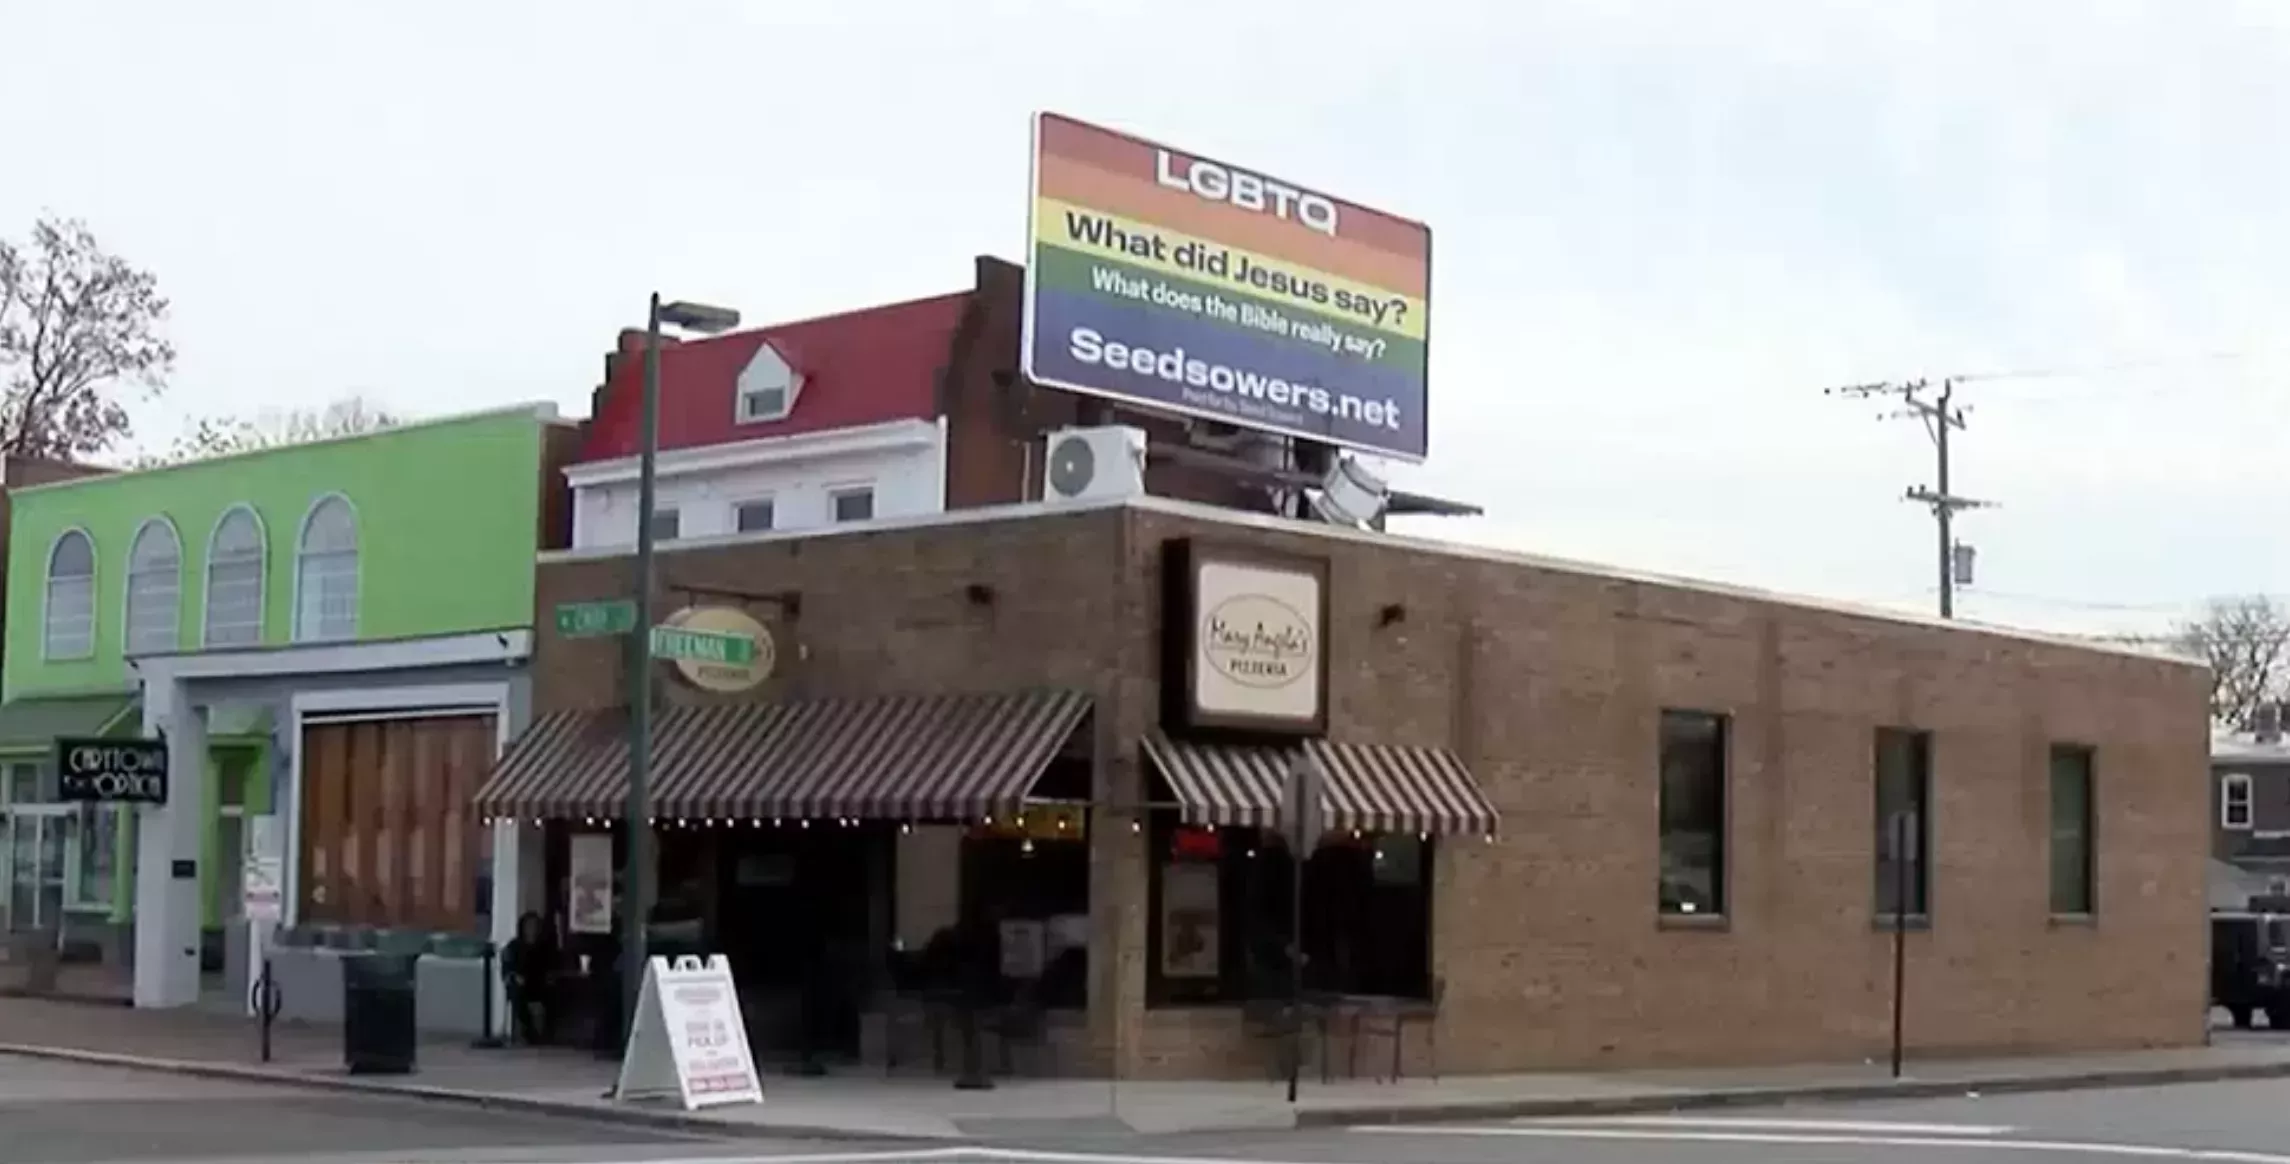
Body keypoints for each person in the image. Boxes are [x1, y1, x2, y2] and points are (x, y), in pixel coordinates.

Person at [502, 911, 559, 1046]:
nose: (531, 929)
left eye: (534, 926)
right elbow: (508, 968)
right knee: (516, 994)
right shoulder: (514, 946)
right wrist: (515, 976)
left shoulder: (545, 947)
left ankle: (549, 1034)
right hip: (521, 986)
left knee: (556, 993)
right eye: (529, 926)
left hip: (539, 984)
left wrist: (550, 977)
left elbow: (552, 966)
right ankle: (529, 1032)